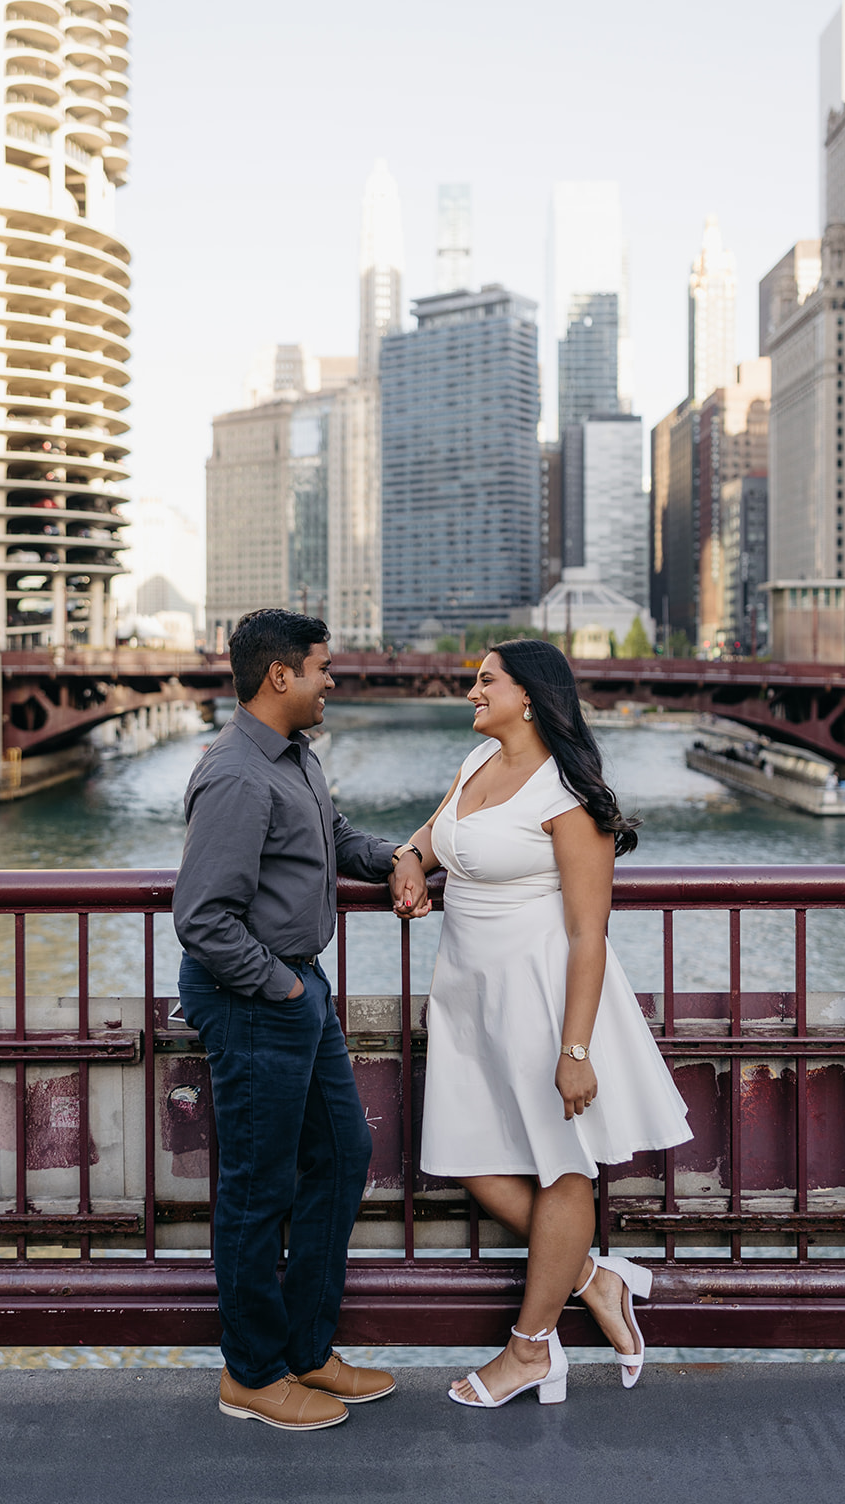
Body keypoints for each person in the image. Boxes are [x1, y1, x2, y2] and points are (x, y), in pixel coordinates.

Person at [401, 639, 692, 1409]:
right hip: (466, 998)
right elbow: (434, 838)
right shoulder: (475, 767)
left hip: (541, 997)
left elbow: (589, 933)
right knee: (460, 1152)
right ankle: (594, 1275)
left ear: (527, 695)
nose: (471, 692)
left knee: (562, 1167)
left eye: (484, 681)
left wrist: (575, 1048)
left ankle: (531, 1350)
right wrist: (405, 858)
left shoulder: (565, 793)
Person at [173, 608, 428, 1431]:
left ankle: (307, 1352)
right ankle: (250, 1374)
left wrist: (395, 858)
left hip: (294, 993)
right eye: (321, 667)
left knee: (342, 1153)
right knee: (257, 1189)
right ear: (278, 676)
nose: (331, 680)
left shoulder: (293, 760)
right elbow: (204, 919)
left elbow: (332, 837)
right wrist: (281, 989)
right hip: (258, 999)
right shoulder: (237, 773)